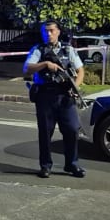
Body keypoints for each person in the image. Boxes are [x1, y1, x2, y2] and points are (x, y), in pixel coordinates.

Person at [24, 20, 86, 179]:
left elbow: (80, 71)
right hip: (45, 96)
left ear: (58, 31)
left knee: (72, 130)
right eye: (45, 31)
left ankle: (71, 164)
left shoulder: (68, 49)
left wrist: (75, 87)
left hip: (65, 95)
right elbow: (27, 68)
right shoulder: (38, 49)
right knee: (45, 133)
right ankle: (45, 166)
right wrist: (45, 64)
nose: (48, 34)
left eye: (51, 30)